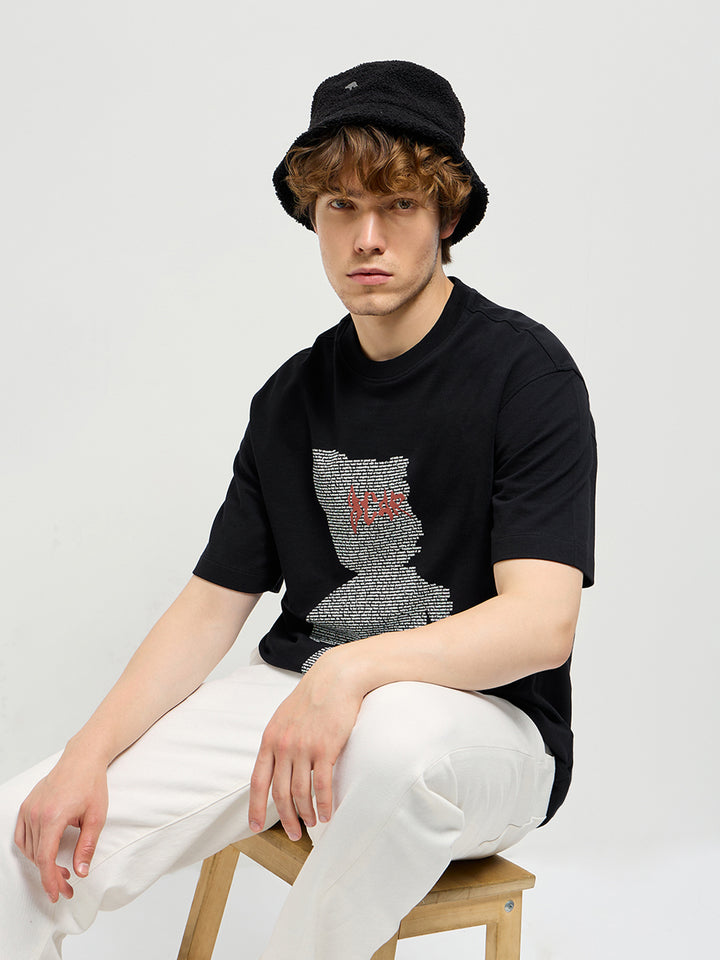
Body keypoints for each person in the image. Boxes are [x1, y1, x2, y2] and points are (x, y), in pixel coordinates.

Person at [0, 60, 597, 960]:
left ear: (446, 216)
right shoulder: (291, 398)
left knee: (397, 744)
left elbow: (541, 625)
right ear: (313, 217)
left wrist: (350, 673)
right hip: (302, 697)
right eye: (340, 207)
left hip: (484, 729)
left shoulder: (526, 376)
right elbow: (210, 607)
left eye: (399, 204)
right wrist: (87, 754)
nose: (367, 237)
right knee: (23, 828)